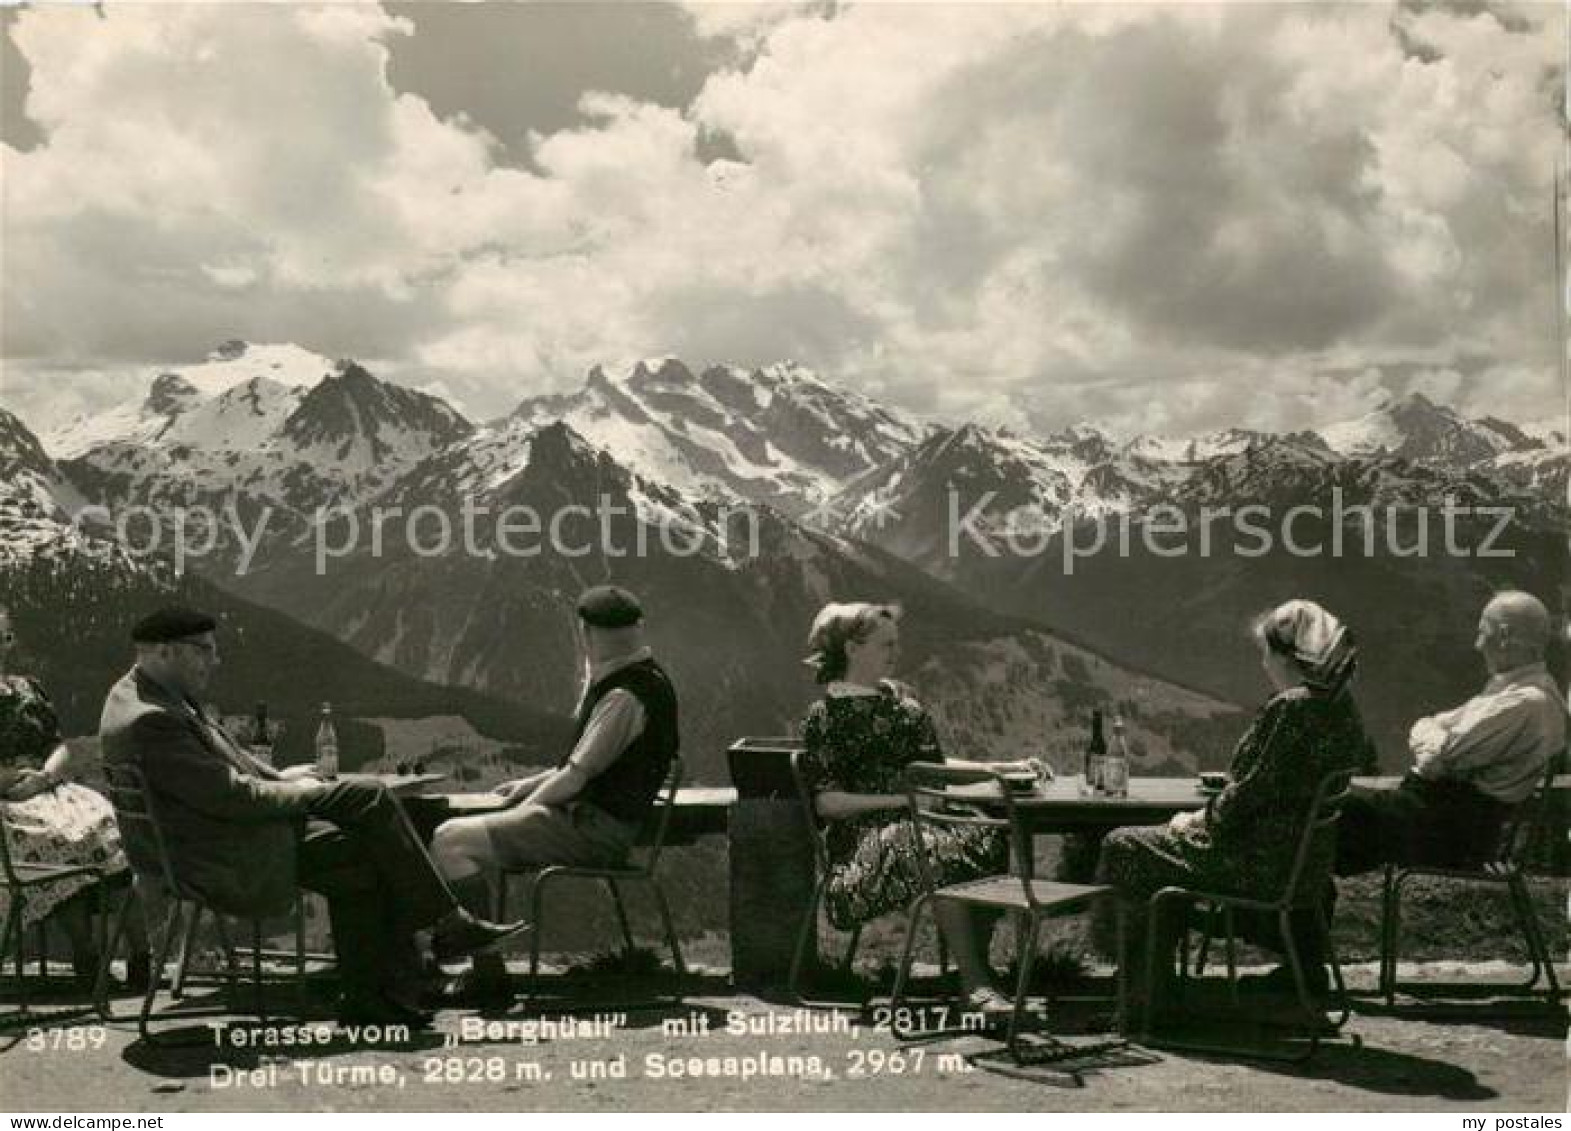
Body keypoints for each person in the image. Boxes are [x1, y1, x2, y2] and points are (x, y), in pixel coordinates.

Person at [98, 606, 523, 1026]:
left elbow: (221, 767)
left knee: (365, 834)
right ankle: (425, 946)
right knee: (368, 820)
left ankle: (385, 987)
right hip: (220, 856)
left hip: (217, 839)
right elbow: (230, 796)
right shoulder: (153, 719)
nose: (215, 659)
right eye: (204, 650)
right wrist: (296, 791)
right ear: (165, 651)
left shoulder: (144, 695)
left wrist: (279, 776)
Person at [1097, 600, 1376, 1021]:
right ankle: (1154, 987)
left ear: (1290, 656)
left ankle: (1142, 995)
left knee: (1124, 846)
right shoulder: (1341, 707)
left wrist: (1195, 820)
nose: (1263, 662)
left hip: (1253, 862)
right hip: (1298, 866)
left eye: (1268, 652)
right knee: (1156, 849)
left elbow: (1252, 794)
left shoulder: (1293, 708)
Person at [431, 585, 680, 1005]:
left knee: (449, 840)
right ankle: (479, 967)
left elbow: (575, 778)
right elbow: (582, 766)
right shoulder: (645, 681)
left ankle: (486, 976)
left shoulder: (622, 696)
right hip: (606, 821)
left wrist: (525, 808)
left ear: (587, 634)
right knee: (458, 835)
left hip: (593, 827)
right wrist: (526, 786)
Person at [795, 601, 1028, 1014]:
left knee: (988, 831)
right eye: (886, 644)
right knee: (927, 847)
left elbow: (933, 770)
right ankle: (975, 985)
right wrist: (902, 800)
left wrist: (1000, 769)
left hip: (916, 824)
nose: (895, 652)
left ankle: (976, 968)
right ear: (852, 649)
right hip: (861, 845)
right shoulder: (824, 717)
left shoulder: (904, 705)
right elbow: (828, 803)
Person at [1336, 591, 1566, 876]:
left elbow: (1439, 757)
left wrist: (1434, 743)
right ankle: (1299, 908)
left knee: (1320, 816)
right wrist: (1434, 739)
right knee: (1320, 812)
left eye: (1484, 633)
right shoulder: (1511, 694)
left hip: (1442, 831)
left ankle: (1295, 912)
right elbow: (1427, 724)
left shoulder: (1525, 703)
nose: (1478, 644)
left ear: (1505, 635)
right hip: (1434, 816)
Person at [0, 605, 149, 990]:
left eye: (4, 638)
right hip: (7, 797)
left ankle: (140, 953)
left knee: (106, 827)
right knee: (62, 840)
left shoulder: (28, 688)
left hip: (46, 785)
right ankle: (87, 955)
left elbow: (59, 744)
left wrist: (47, 775)